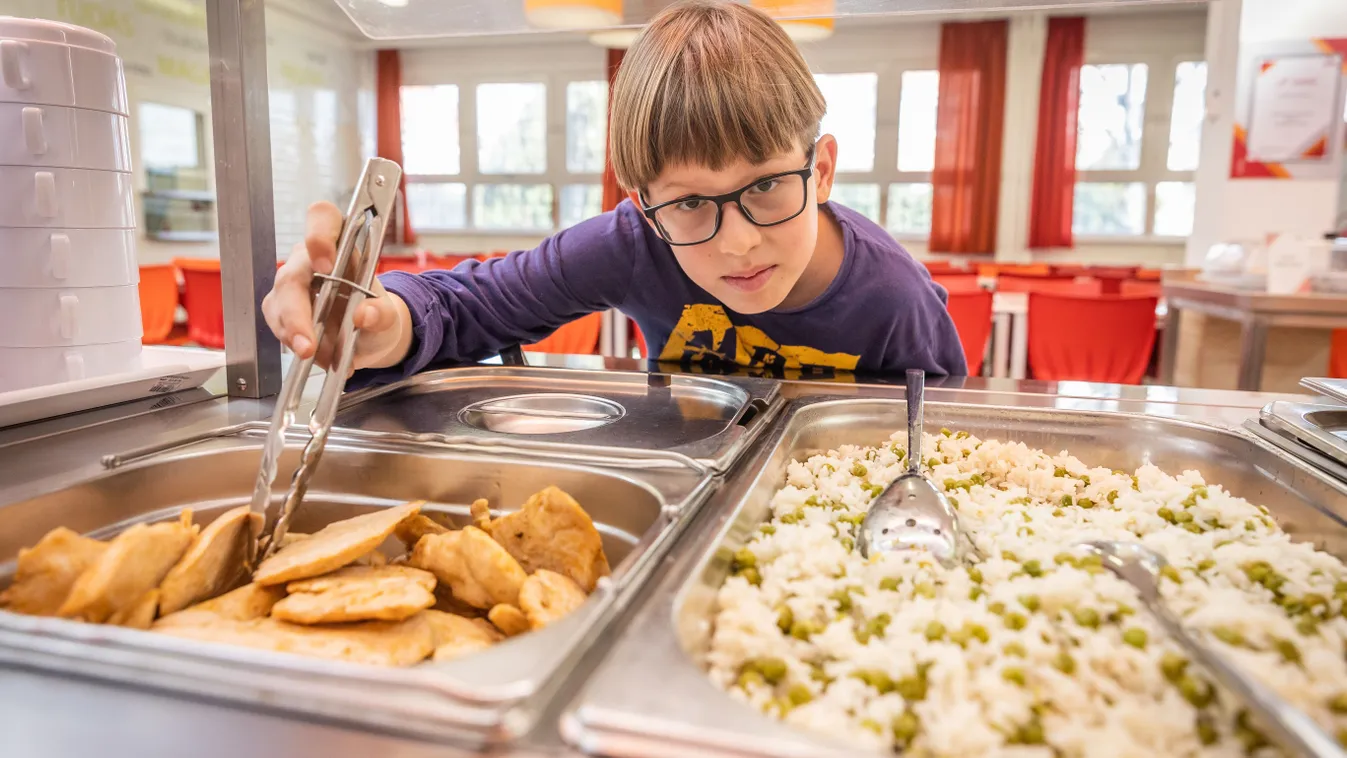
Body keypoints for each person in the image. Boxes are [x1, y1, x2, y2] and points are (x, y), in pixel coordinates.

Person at [262, 0, 966, 386]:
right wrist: (382, 322)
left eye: (767, 186)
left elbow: (938, 436)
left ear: (822, 171)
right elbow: (471, 304)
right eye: (690, 203)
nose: (738, 241)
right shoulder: (630, 245)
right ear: (642, 204)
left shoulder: (893, 296)